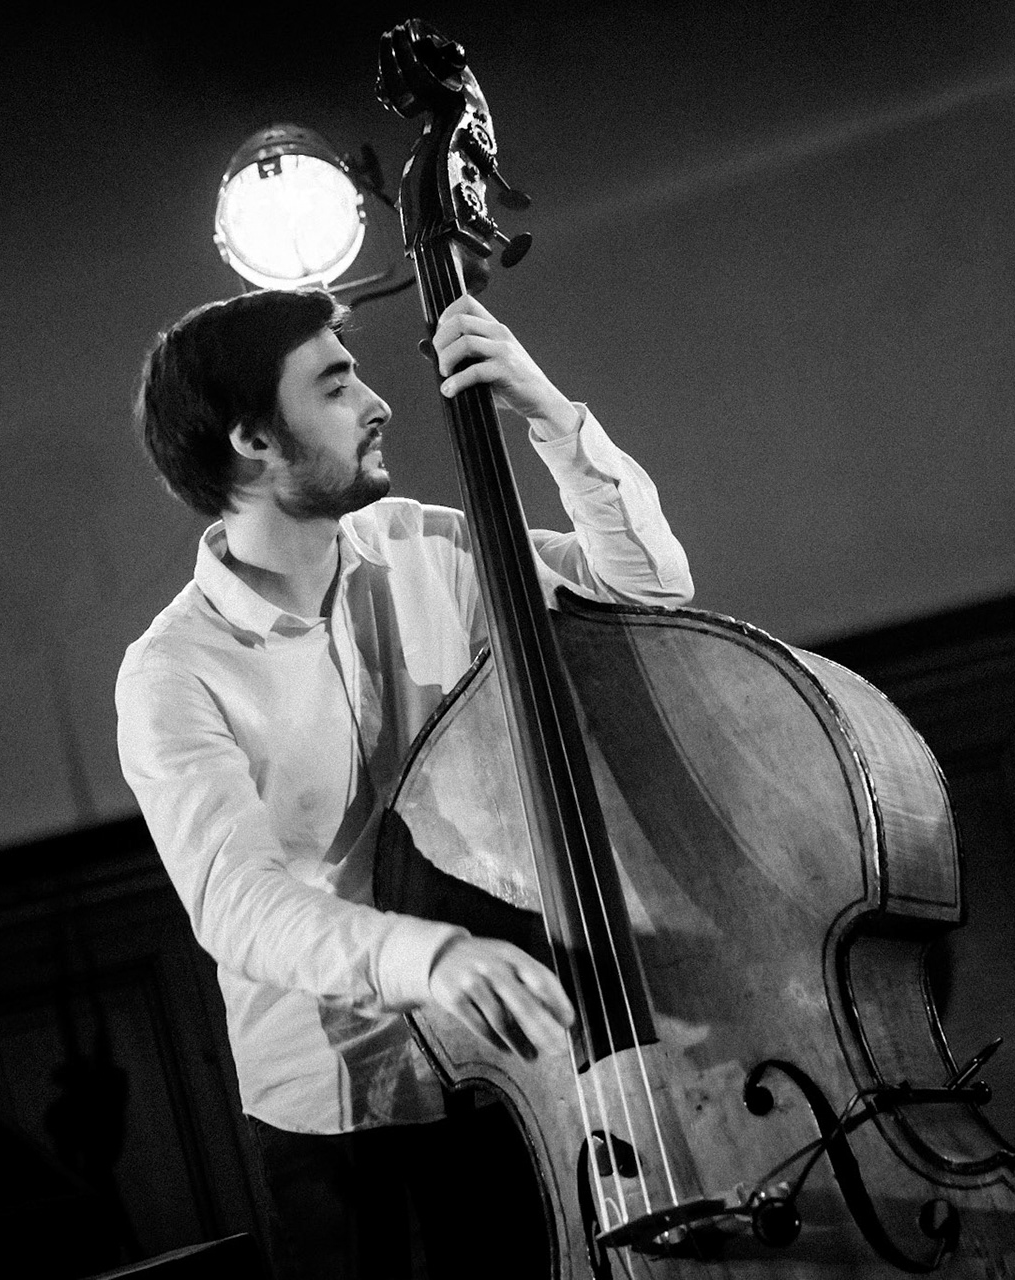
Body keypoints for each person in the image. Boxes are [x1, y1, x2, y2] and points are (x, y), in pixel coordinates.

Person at [116, 287, 693, 1278]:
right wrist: (431, 955)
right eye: (337, 386)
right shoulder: (173, 671)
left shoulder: (426, 541)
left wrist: (548, 411)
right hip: (339, 1116)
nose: (379, 401)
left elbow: (646, 588)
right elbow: (239, 903)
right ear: (254, 437)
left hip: (503, 1071)